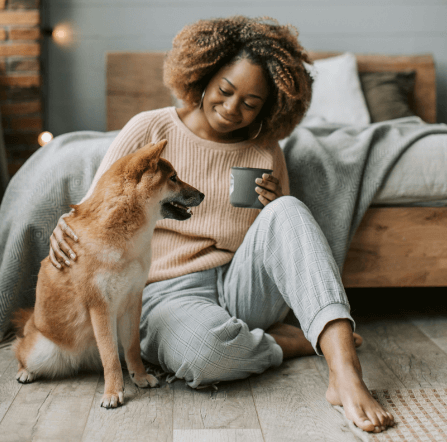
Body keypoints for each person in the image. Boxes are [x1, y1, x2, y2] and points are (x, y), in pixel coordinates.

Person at [49, 16, 394, 433]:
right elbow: (94, 206)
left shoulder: (266, 147)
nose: (232, 109)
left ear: (269, 108)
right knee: (206, 355)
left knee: (289, 209)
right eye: (225, 91)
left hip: (237, 283)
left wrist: (276, 203)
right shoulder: (151, 128)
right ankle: (289, 342)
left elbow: (284, 238)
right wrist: (65, 227)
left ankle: (346, 372)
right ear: (203, 76)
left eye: (250, 103)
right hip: (163, 294)